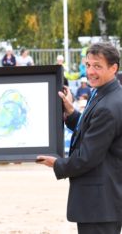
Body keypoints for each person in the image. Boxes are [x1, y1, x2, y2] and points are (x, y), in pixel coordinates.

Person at [37, 42, 122, 234]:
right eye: (88, 65)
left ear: (113, 68)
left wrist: (58, 164)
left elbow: (88, 156)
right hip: (102, 203)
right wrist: (71, 112)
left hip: (100, 204)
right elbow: (91, 132)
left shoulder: (109, 105)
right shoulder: (105, 94)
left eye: (97, 66)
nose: (90, 71)